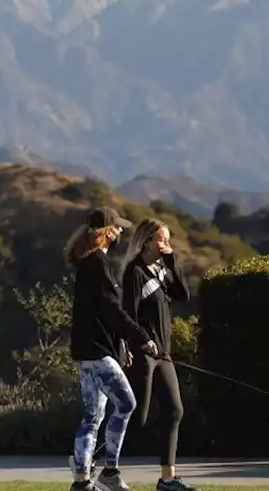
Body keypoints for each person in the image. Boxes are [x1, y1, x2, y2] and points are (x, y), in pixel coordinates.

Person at [66, 206, 159, 491]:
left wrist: (121, 346)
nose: (120, 231)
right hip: (97, 352)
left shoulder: (88, 263)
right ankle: (109, 470)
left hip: (87, 352)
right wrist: (141, 337)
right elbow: (112, 311)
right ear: (107, 232)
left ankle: (82, 482)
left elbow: (98, 313)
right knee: (126, 403)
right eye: (117, 227)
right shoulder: (98, 264)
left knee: (93, 417)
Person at [121, 218, 195, 491]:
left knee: (175, 410)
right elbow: (127, 314)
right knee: (136, 415)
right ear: (147, 241)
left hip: (164, 354)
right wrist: (140, 342)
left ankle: (167, 479)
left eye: (167, 239)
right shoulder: (134, 272)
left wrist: (173, 261)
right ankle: (92, 461)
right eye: (161, 239)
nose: (165, 244)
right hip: (143, 352)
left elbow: (183, 295)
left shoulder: (162, 268)